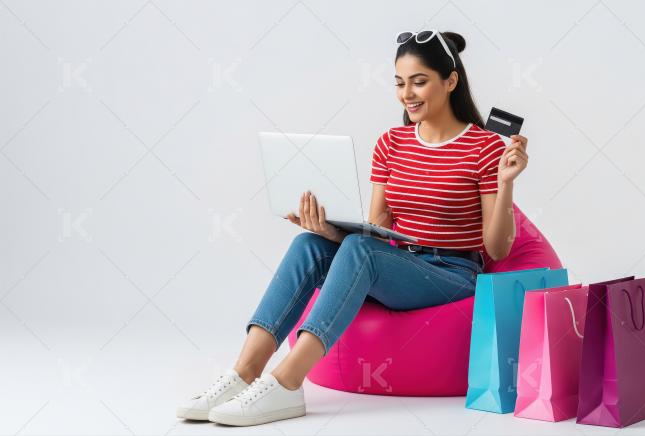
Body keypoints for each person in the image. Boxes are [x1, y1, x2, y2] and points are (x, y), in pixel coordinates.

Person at [176, 29, 529, 427]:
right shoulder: (391, 143)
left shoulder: (484, 147)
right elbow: (377, 229)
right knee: (309, 243)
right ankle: (243, 373)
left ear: (450, 81)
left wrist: (506, 182)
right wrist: (329, 230)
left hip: (453, 272)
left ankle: (288, 382)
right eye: (399, 83)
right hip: (398, 259)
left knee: (361, 252)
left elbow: (497, 250)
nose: (407, 94)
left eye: (419, 81)